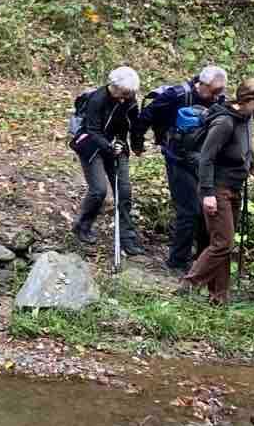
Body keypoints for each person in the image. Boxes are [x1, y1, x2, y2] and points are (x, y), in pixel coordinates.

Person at [182, 79, 254, 305]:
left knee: (223, 244)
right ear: (247, 100)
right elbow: (206, 158)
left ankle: (219, 297)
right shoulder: (224, 122)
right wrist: (208, 193)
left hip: (234, 187)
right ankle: (188, 285)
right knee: (223, 243)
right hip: (218, 189)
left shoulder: (246, 118)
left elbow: (243, 148)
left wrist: (251, 164)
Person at [134, 65, 227, 272]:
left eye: (220, 92)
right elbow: (147, 115)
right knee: (189, 210)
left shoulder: (220, 100)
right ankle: (177, 262)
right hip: (178, 160)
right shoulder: (176, 95)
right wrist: (137, 143)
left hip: (205, 162)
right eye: (213, 91)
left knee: (206, 211)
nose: (216, 97)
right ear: (202, 84)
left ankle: (201, 260)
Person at [70, 66, 143, 253]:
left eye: (130, 93)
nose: (126, 97)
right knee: (98, 191)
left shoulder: (130, 99)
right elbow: (92, 130)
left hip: (117, 146)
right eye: (124, 93)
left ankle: (127, 237)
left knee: (124, 192)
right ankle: (82, 226)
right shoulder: (97, 99)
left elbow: (132, 125)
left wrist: (131, 144)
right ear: (114, 86)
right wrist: (109, 146)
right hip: (92, 146)